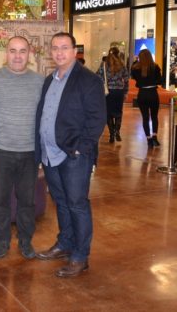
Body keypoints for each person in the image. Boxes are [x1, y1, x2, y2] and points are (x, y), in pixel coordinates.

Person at [35, 32, 106, 278]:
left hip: (73, 156)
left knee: (77, 204)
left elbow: (97, 119)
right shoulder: (49, 80)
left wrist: (80, 148)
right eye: (55, 48)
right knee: (61, 201)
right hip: (50, 154)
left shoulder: (89, 80)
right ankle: (65, 243)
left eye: (64, 47)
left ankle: (80, 256)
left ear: (75, 51)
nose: (59, 52)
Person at [0, 36, 44, 260]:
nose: (17, 56)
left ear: (29, 54)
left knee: (27, 202)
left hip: (30, 154)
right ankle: (2, 242)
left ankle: (26, 241)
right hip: (0, 152)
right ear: (6, 54)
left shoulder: (40, 82)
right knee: (1, 201)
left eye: (22, 51)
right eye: (13, 51)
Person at [130, 49, 162, 148]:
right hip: (153, 93)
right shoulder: (155, 67)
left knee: (145, 117)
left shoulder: (135, 68)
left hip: (142, 94)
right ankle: (155, 137)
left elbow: (134, 78)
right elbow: (160, 81)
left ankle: (148, 140)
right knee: (154, 116)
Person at [97, 47, 130, 143]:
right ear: (118, 54)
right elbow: (126, 80)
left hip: (108, 92)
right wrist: (125, 92)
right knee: (118, 112)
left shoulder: (104, 64)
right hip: (119, 92)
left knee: (108, 113)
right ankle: (117, 131)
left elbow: (98, 77)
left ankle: (111, 134)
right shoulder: (122, 65)